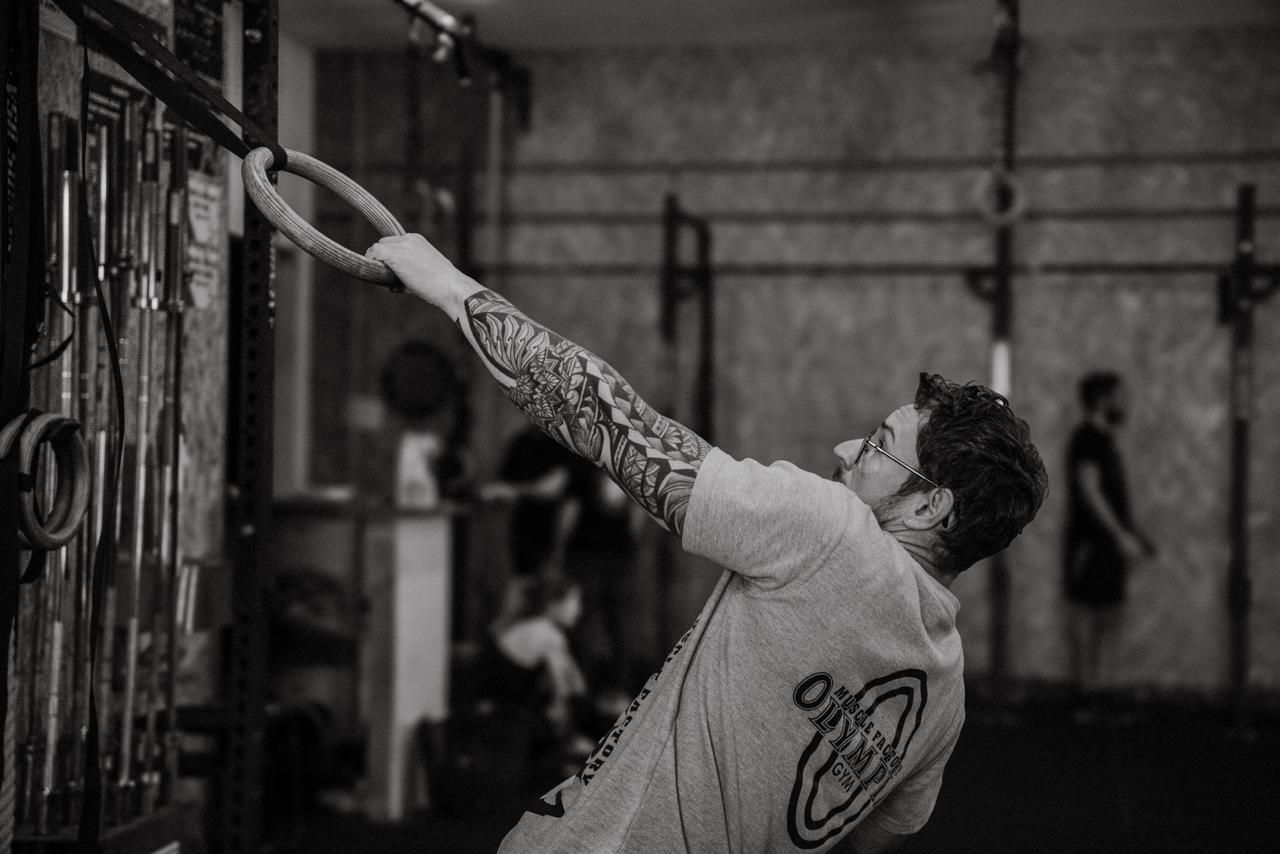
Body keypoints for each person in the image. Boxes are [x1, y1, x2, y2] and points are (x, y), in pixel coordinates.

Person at [367, 234, 1048, 854]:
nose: (846, 451)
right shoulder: (944, 694)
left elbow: (606, 416)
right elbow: (869, 841)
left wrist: (448, 285)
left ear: (931, 505)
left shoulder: (832, 532)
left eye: (876, 448)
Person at [1062, 371, 1152, 712]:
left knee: (1109, 615)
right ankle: (1085, 697)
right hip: (1091, 546)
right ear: (1102, 399)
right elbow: (1090, 490)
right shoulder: (1087, 438)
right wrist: (1120, 536)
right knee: (1087, 616)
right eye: (1119, 395)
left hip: (1107, 546)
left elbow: (1111, 496)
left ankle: (1100, 693)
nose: (1125, 403)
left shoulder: (1104, 440)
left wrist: (1134, 535)